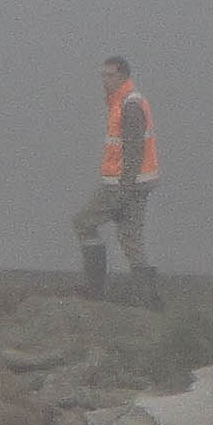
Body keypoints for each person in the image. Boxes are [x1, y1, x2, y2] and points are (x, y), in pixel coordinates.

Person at [72, 56, 159, 303]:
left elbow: (133, 150)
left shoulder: (129, 105)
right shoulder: (125, 101)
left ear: (123, 77)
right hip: (137, 183)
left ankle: (96, 289)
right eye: (103, 75)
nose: (105, 80)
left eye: (110, 75)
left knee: (84, 223)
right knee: (130, 238)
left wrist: (124, 191)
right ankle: (148, 299)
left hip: (122, 184)